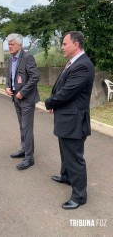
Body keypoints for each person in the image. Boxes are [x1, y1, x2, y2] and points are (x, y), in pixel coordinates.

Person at [45, 31, 95, 210]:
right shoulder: (74, 63)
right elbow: (61, 87)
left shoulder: (82, 65)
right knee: (65, 151)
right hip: (67, 118)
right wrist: (54, 102)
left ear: (76, 44)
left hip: (74, 121)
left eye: (64, 43)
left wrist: (49, 102)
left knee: (75, 158)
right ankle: (66, 176)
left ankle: (79, 196)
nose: (62, 47)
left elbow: (67, 92)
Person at [5, 33, 40, 170]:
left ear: (20, 45)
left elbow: (34, 77)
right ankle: (24, 149)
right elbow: (9, 76)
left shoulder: (27, 57)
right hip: (15, 98)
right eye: (8, 44)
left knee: (27, 127)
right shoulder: (11, 59)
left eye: (12, 44)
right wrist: (7, 87)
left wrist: (22, 92)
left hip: (26, 99)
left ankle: (29, 158)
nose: (9, 46)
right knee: (22, 126)